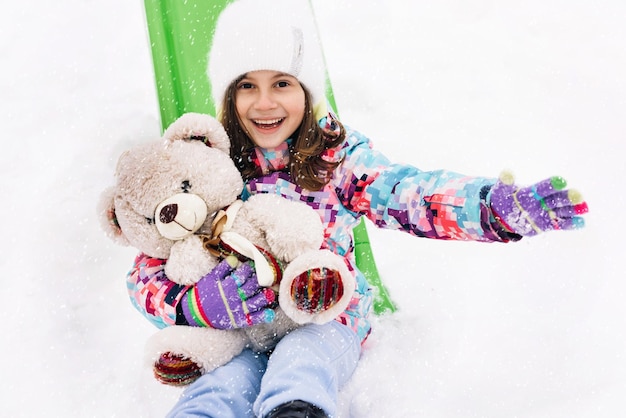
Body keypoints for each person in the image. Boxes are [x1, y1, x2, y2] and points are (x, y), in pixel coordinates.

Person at [127, 0, 589, 417]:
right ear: (228, 97)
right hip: (240, 332)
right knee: (219, 388)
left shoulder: (336, 162)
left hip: (327, 319)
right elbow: (145, 273)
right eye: (247, 85)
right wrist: (193, 306)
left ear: (306, 91)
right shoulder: (207, 172)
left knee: (300, 367)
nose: (264, 103)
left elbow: (412, 196)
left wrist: (495, 209)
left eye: (282, 83)